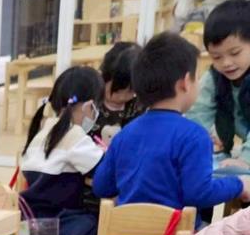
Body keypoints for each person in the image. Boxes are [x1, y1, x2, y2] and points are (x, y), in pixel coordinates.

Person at [93, 31, 250, 218]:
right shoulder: (194, 136)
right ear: (185, 83)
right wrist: (239, 185)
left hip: (124, 234)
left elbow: (101, 186)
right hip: (175, 234)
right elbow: (199, 193)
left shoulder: (124, 135)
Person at [19, 65, 104, 235]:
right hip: (57, 225)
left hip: (30, 221)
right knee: (103, 229)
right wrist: (106, 152)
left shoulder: (42, 132)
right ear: (89, 106)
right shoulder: (75, 136)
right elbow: (105, 171)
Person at [187, 0, 250, 169]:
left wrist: (245, 160)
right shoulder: (214, 78)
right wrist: (189, 151)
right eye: (216, 57)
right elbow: (197, 115)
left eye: (235, 53)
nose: (226, 63)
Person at [91, 40, 142, 143]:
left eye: (130, 92)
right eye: (117, 91)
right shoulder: (91, 102)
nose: (122, 97)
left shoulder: (138, 107)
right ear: (104, 76)